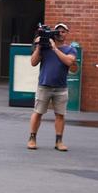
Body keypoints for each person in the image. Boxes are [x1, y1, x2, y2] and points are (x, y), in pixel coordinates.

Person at [28, 22, 77, 151]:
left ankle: (59, 141)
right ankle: (32, 139)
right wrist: (39, 47)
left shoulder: (70, 49)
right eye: (58, 31)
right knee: (38, 112)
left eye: (63, 31)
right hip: (44, 85)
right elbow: (33, 63)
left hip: (61, 87)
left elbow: (69, 61)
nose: (60, 33)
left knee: (60, 115)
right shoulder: (44, 47)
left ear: (67, 34)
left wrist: (55, 48)